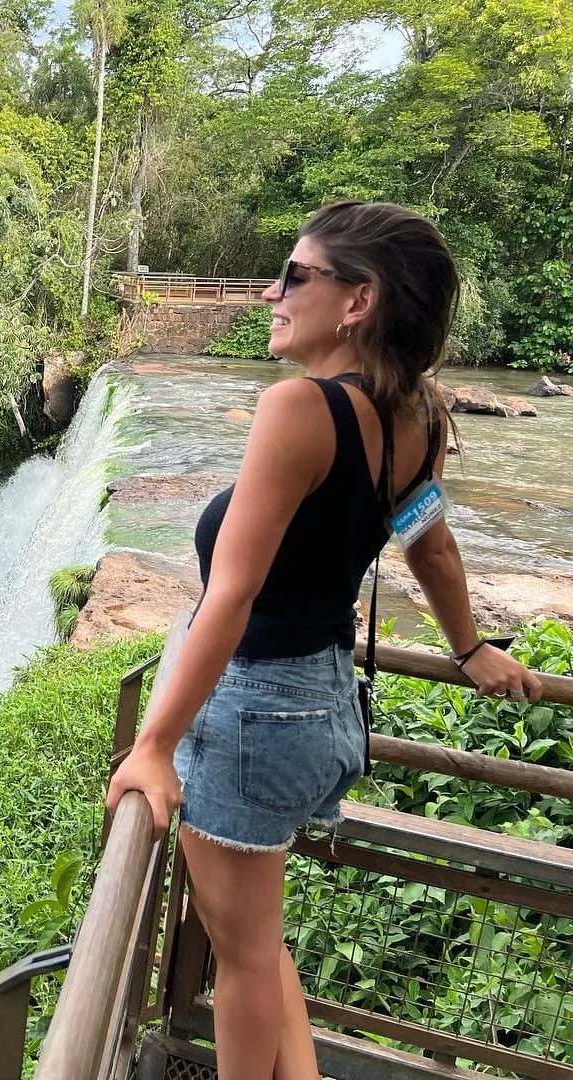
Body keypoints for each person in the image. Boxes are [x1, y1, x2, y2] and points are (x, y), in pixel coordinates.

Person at [105, 200, 544, 1079]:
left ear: (358, 301)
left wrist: (153, 745)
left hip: (255, 711)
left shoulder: (295, 410)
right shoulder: (419, 415)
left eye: (295, 276)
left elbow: (230, 598)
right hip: (320, 705)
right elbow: (434, 543)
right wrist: (468, 648)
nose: (272, 292)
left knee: (241, 959)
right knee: (257, 945)